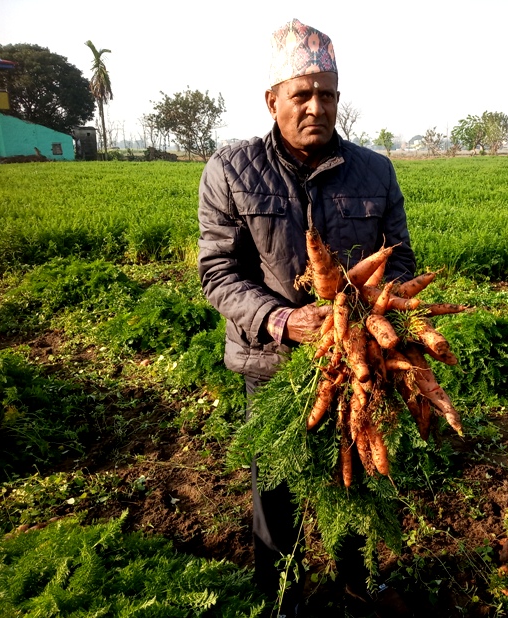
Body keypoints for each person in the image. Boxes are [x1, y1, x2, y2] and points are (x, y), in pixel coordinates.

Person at [197, 18, 415, 617]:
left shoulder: (376, 170)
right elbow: (218, 273)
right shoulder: (232, 169)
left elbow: (400, 257)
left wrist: (377, 320)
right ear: (273, 101)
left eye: (328, 94)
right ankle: (282, 597)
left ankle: (356, 580)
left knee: (356, 471)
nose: (316, 106)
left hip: (352, 362)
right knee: (276, 484)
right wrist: (282, 320)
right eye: (302, 94)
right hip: (272, 361)